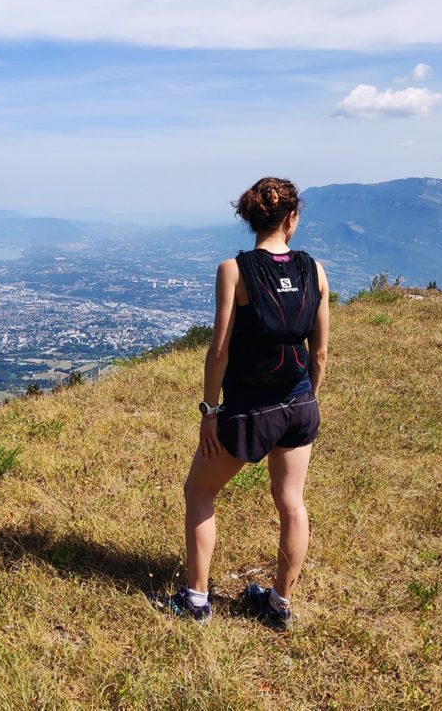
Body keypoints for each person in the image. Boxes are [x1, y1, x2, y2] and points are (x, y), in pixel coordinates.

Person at [169, 176, 330, 629]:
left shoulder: (233, 270)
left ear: (249, 219)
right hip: (299, 405)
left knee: (199, 492)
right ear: (292, 218)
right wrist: (308, 401)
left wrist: (209, 410)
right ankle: (279, 604)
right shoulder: (314, 270)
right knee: (291, 502)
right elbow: (319, 352)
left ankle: (197, 600)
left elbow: (218, 350)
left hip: (248, 410)